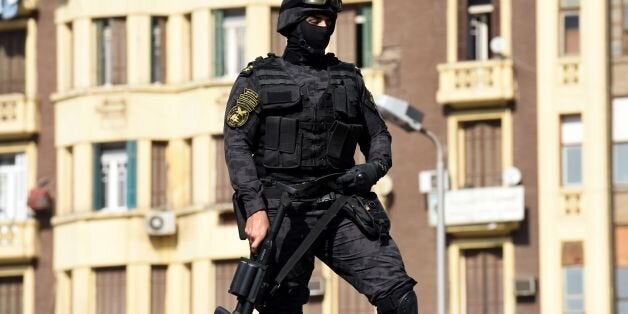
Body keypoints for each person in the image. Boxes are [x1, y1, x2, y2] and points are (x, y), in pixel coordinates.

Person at [223, 0, 418, 313]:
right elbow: (236, 144)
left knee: (399, 297)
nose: (324, 28)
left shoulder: (349, 80)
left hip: (341, 205)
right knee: (280, 306)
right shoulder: (258, 78)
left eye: (329, 21)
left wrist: (372, 169)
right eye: (315, 19)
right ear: (293, 22)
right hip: (281, 210)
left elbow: (378, 136)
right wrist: (255, 209)